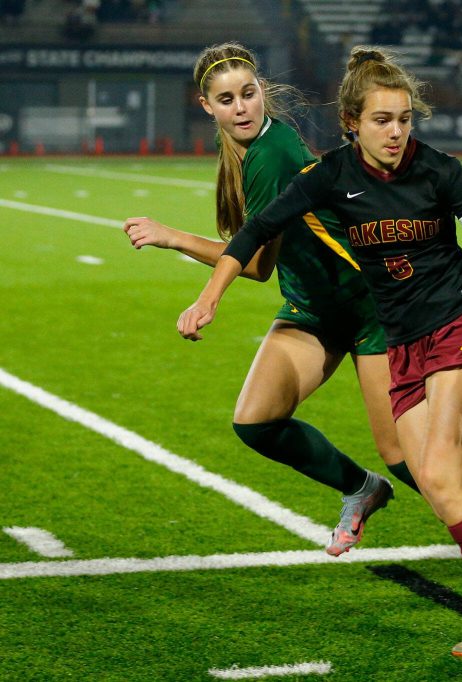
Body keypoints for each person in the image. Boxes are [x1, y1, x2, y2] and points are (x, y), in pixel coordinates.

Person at [176, 45, 462, 657]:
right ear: (352, 122)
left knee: (437, 473)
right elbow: (256, 232)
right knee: (444, 486)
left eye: (405, 118)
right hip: (402, 345)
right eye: (383, 120)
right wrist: (210, 297)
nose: (397, 131)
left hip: (461, 327)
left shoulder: (441, 171)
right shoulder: (330, 177)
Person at [124, 42, 415, 558]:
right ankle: (360, 488)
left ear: (263, 93)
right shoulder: (243, 156)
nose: (241, 108)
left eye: (249, 94)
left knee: (402, 455)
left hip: (366, 306)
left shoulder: (272, 152)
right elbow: (262, 262)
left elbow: (252, 262)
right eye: (227, 99)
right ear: (206, 106)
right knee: (256, 421)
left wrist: (180, 250)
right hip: (314, 309)